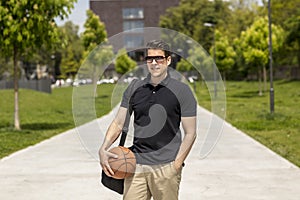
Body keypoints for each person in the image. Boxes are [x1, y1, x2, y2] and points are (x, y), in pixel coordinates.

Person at [99, 40, 197, 200]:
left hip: (166, 166)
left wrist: (176, 165)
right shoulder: (134, 88)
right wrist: (103, 148)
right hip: (136, 165)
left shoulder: (182, 91)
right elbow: (118, 122)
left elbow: (191, 133)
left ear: (168, 60)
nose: (154, 63)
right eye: (149, 59)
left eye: (159, 58)